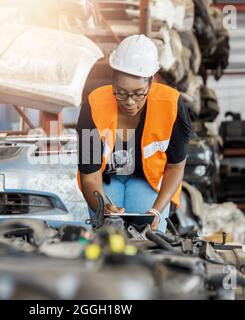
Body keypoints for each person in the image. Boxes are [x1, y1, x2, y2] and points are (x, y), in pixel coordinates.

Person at [76, 34, 191, 232]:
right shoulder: (94, 106)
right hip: (105, 180)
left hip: (148, 181)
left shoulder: (172, 106)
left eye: (138, 93)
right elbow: (90, 178)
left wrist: (156, 211)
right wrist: (103, 209)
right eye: (120, 92)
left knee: (147, 238)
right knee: (109, 235)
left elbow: (175, 168)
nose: (130, 102)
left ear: (151, 81)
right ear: (112, 80)